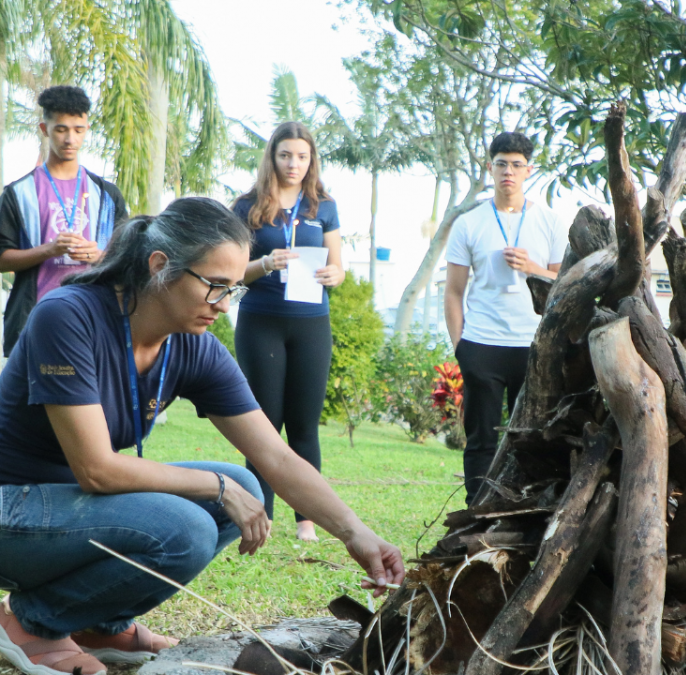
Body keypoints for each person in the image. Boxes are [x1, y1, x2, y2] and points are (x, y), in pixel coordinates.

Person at [0, 198, 403, 675]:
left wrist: (356, 534)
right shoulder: (69, 316)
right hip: (13, 507)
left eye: (233, 289)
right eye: (214, 286)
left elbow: (274, 455)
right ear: (160, 266)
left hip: (72, 509)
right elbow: (97, 469)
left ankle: (101, 624)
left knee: (246, 484)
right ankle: (30, 626)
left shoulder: (193, 346)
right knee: (191, 522)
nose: (224, 304)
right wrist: (216, 487)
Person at [232, 122, 345, 541]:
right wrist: (266, 263)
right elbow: (231, 273)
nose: (293, 164)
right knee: (263, 422)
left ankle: (307, 519)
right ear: (272, 157)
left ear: (311, 159)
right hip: (261, 321)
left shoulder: (325, 206)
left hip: (312, 322)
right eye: (285, 155)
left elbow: (339, 269)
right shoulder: (247, 206)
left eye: (301, 156)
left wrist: (334, 274)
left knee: (304, 423)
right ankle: (260, 515)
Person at [444, 132, 569, 504]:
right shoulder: (469, 223)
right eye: (501, 164)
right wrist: (460, 345)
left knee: (531, 435)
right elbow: (453, 291)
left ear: (529, 170)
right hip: (481, 343)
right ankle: (477, 509)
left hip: (533, 345)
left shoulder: (549, 220)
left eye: (516, 165)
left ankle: (524, 507)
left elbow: (565, 285)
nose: (508, 172)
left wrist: (532, 267)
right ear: (490, 167)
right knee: (481, 436)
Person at [0, 85, 127, 357]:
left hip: (94, 320)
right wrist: (50, 249)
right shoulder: (18, 193)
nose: (70, 138)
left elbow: (129, 257)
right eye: (61, 129)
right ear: (45, 129)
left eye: (78, 129)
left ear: (86, 129)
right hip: (31, 322)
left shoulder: (107, 195)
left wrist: (100, 254)